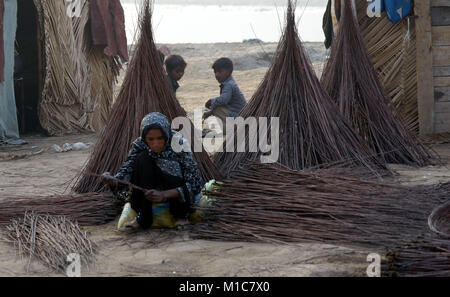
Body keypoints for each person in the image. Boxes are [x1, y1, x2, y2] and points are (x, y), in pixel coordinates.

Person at [102, 112, 202, 231]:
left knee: (172, 166)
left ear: (166, 134)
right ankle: (144, 217)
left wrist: (164, 194)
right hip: (149, 190)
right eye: (151, 139)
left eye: (160, 138)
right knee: (142, 158)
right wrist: (112, 180)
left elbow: (194, 182)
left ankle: (180, 216)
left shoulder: (179, 143)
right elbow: (126, 171)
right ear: (145, 138)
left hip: (175, 191)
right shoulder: (139, 145)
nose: (156, 144)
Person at [203, 57, 246, 136]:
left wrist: (211, 101)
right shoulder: (229, 83)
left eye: (219, 72)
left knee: (217, 108)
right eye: (215, 72)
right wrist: (210, 112)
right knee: (216, 110)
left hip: (237, 115)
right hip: (236, 115)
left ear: (228, 72)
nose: (216, 75)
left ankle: (226, 130)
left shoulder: (229, 85)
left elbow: (224, 100)